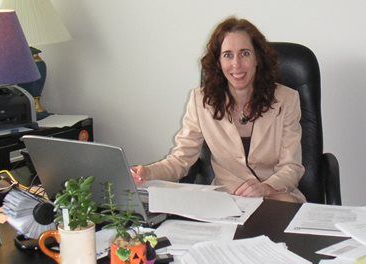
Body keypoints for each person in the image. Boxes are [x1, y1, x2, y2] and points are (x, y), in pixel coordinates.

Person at [131, 16, 305, 203]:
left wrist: (267, 188)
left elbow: (291, 167)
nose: (236, 64)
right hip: (227, 202)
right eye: (228, 55)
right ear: (219, 62)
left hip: (275, 198)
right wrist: (146, 172)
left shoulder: (286, 99)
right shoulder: (201, 101)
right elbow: (180, 160)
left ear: (257, 58)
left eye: (245, 53)